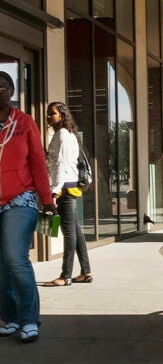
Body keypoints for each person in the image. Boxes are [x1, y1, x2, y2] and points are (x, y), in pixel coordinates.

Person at [0, 70, 56, 343]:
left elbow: (37, 161)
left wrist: (47, 199)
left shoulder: (24, 123)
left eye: (3, 87)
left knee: (15, 257)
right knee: (1, 264)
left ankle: (30, 319)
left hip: (20, 198)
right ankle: (10, 318)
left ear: (11, 92)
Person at [43, 102, 92, 287]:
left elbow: (61, 165)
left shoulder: (63, 135)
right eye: (48, 113)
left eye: (52, 113)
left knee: (69, 232)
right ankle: (86, 272)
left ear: (62, 116)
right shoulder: (63, 134)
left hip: (64, 189)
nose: (49, 116)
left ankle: (66, 276)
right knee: (76, 231)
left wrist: (54, 192)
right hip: (67, 187)